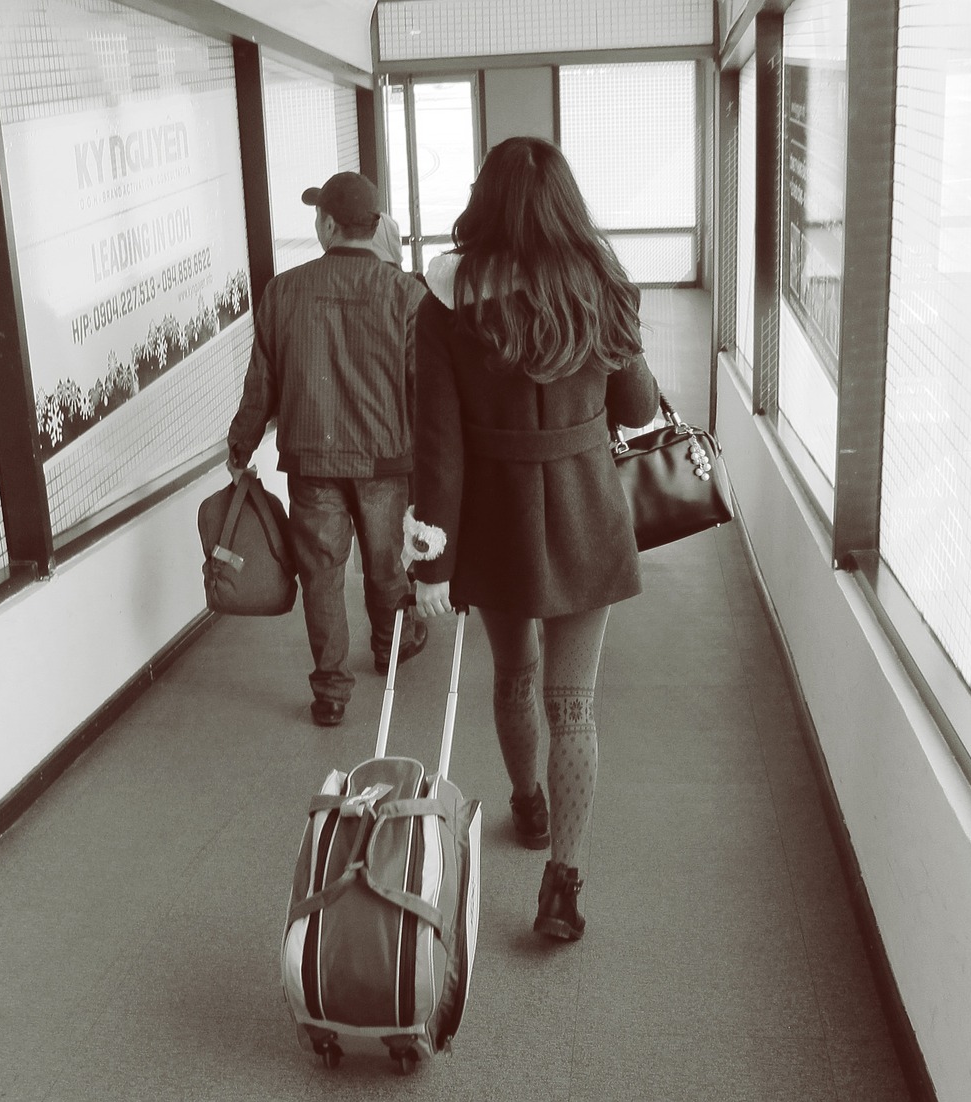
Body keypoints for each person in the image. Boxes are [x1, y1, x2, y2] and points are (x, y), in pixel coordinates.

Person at [404, 136, 659, 941]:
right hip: (587, 509)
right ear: (565, 204)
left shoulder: (446, 299)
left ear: (484, 202)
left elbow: (438, 449)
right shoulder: (603, 288)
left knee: (515, 677)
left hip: (496, 518)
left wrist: (433, 564)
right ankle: (563, 889)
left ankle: (528, 807)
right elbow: (637, 411)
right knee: (574, 704)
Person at [227, 171, 430, 728]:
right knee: (388, 562)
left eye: (318, 216)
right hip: (387, 459)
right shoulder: (407, 294)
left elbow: (260, 382)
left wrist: (241, 443)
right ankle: (391, 646)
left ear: (330, 224)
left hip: (312, 459)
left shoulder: (284, 291)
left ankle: (331, 692)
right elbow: (423, 388)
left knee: (322, 573)